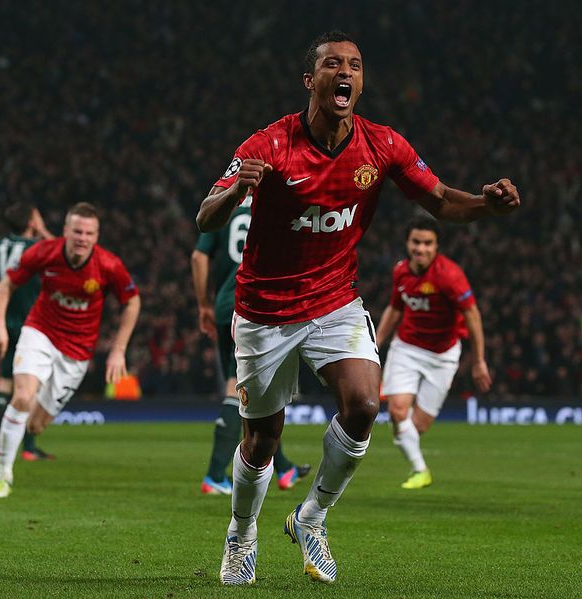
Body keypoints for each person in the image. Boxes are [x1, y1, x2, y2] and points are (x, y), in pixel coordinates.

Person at [196, 30, 520, 585]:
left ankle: (311, 517)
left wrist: (486, 205)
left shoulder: (382, 145)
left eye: (355, 65)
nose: (345, 72)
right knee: (263, 438)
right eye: (332, 64)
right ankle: (242, 536)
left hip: (334, 301)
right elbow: (205, 215)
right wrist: (234, 192)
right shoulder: (269, 144)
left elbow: (441, 200)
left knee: (366, 404)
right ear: (311, 80)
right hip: (266, 310)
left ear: (361, 83)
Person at [0, 202, 141, 498]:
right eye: (77, 231)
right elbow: (6, 285)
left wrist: (119, 349)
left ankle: (25, 416)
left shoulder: (109, 265)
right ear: (66, 231)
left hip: (77, 352)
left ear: (96, 236)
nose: (83, 238)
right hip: (40, 332)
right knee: (22, 396)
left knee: (35, 425)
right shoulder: (44, 252)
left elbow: (132, 301)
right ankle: (3, 476)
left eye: (89, 233)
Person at [192, 196, 311, 496]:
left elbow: (198, 257)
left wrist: (204, 304)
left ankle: (284, 468)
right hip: (258, 305)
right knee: (241, 388)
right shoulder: (277, 203)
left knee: (260, 391)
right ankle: (215, 474)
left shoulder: (225, 206)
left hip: (224, 304)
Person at [375, 216, 491, 489]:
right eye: (416, 242)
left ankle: (412, 454)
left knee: (418, 426)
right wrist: (377, 341)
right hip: (406, 347)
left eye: (427, 243)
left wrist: (479, 360)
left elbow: (472, 314)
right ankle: (420, 470)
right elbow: (395, 308)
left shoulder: (449, 276)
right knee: (397, 411)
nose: (421, 249)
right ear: (407, 243)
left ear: (436, 246)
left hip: (442, 355)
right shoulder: (401, 271)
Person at [0, 203, 55, 462]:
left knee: (5, 383)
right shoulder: (35, 247)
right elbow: (62, 250)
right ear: (31, 222)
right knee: (32, 385)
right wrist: (42, 230)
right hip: (31, 322)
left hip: (6, 320)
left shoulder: (2, 244)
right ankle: (29, 447)